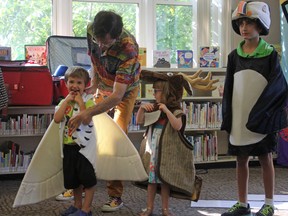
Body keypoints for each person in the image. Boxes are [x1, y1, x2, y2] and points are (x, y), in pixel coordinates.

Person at [68, 10, 141, 212]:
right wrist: (96, 83)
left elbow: (117, 95)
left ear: (116, 37)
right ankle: (78, 186)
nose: (101, 45)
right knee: (87, 134)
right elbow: (94, 58)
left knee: (116, 137)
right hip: (104, 84)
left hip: (124, 92)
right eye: (98, 40)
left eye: (106, 43)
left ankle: (115, 196)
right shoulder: (92, 29)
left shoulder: (129, 50)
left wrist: (88, 112)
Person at [221, 1, 288, 216]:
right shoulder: (234, 56)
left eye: (249, 22)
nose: (244, 27)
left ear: (260, 24)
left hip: (262, 117)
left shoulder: (270, 55)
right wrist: (228, 118)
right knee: (241, 160)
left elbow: (277, 88)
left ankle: (269, 203)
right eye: (241, 22)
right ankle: (242, 203)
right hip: (240, 117)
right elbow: (229, 88)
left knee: (265, 157)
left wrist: (266, 114)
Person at [54, 66, 97, 216]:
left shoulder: (89, 101)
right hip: (68, 146)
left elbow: (86, 120)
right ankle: (77, 205)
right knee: (73, 179)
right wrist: (67, 101)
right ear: (66, 83)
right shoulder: (64, 102)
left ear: (86, 85)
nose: (75, 85)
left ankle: (86, 209)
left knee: (88, 178)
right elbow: (57, 119)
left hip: (83, 148)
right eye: (71, 81)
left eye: (79, 82)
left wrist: (80, 103)